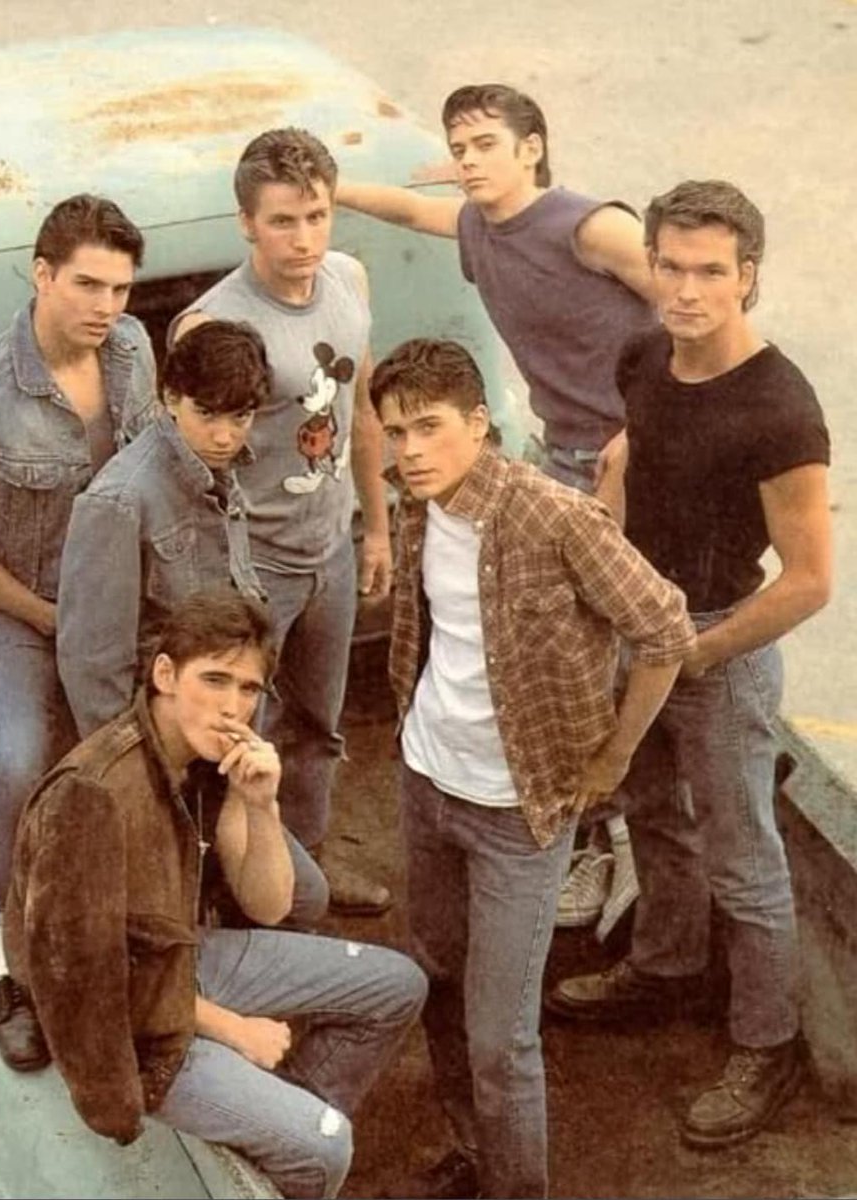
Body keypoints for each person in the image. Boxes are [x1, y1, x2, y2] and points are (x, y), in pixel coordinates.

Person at [371, 338, 695, 1198]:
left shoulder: (555, 517)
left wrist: (614, 755)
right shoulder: (416, 508)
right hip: (425, 781)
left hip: (520, 814)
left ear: (480, 424)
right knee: (435, 977)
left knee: (500, 1037)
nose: (410, 450)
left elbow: (664, 628)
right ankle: (469, 1149)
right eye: (395, 432)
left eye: (429, 427)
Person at [547, 180, 832, 1150]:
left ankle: (767, 1042)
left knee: (743, 861)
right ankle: (666, 970)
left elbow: (805, 583)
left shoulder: (779, 409)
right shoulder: (642, 355)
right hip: (640, 629)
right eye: (668, 265)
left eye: (709, 271)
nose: (685, 289)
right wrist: (611, 517)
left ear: (746, 277)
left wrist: (694, 652)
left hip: (715, 647)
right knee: (649, 815)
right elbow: (634, 441)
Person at [338, 83, 659, 933]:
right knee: (560, 645)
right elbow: (411, 211)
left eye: (488, 143)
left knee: (626, 646)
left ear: (533, 147)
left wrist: (647, 424)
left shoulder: (592, 226)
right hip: (560, 452)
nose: (471, 159)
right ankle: (598, 837)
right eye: (461, 146)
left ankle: (629, 851)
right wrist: (329, 190)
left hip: (631, 454)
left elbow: (692, 305)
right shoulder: (480, 226)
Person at [2, 590, 427, 1200]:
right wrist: (234, 1031)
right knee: (326, 1144)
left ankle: (271, 1134)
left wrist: (259, 803)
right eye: (215, 680)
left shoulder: (203, 760)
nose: (233, 708)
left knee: (396, 986)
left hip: (183, 962)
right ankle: (291, 1137)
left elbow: (270, 905)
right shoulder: (94, 795)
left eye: (249, 690)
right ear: (165, 675)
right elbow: (88, 983)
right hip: (138, 1027)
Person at [0, 194, 159, 1070]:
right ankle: (10, 966)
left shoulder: (133, 354)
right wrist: (54, 621)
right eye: (87, 285)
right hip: (14, 614)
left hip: (114, 603)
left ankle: (151, 934)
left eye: (123, 289)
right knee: (21, 764)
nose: (107, 308)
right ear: (42, 274)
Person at [170, 127, 393, 916]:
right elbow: (185, 462)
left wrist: (376, 528)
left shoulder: (350, 281)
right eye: (282, 222)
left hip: (329, 549)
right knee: (232, 736)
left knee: (318, 725)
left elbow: (362, 410)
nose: (304, 240)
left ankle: (308, 876)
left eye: (318, 217)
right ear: (245, 223)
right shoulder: (211, 325)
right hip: (251, 565)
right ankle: (230, 892)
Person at [57, 318, 329, 927]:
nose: (226, 434)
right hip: (162, 762)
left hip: (219, 748)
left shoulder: (222, 470)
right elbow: (92, 668)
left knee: (301, 898)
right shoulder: (121, 501)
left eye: (241, 417)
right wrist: (148, 790)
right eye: (209, 414)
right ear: (169, 397)